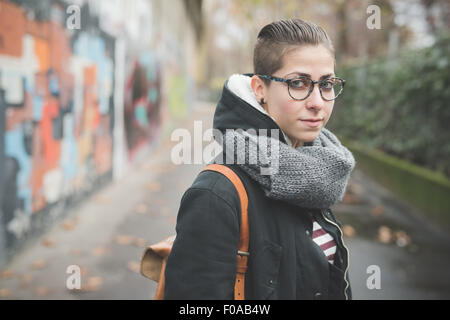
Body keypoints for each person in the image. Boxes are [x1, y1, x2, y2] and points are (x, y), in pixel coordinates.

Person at [164, 18, 356, 300]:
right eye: (299, 83)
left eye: (326, 84)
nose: (317, 101)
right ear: (259, 89)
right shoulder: (216, 194)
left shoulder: (318, 168)